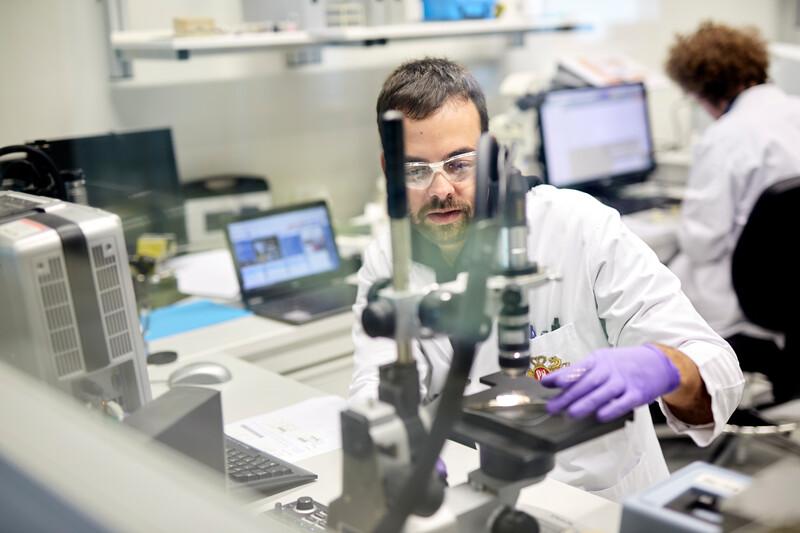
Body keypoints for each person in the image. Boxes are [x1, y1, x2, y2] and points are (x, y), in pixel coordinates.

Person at [349, 57, 743, 502]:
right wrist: (389, 438)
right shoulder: (389, 260)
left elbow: (716, 365)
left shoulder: (579, 226)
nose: (441, 190)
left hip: (605, 503)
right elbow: (372, 383)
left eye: (459, 164)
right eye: (416, 171)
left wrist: (665, 367)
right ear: (389, 170)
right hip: (467, 500)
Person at [665, 22, 800, 402]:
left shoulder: (727, 136)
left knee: (655, 288)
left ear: (703, 89)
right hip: (790, 284)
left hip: (753, 297)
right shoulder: (795, 109)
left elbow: (702, 243)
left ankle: (681, 399)